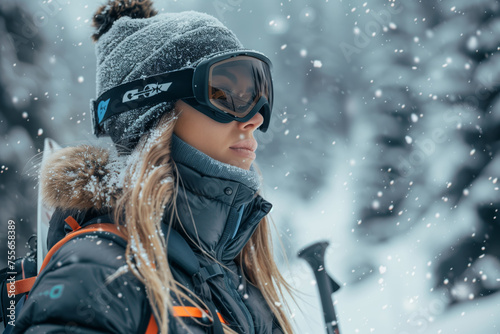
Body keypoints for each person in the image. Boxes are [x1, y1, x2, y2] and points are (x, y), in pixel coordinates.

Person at [13, 0, 294, 333]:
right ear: (154, 110)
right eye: (227, 92)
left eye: (260, 94)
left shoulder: (234, 277)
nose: (257, 117)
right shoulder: (96, 273)